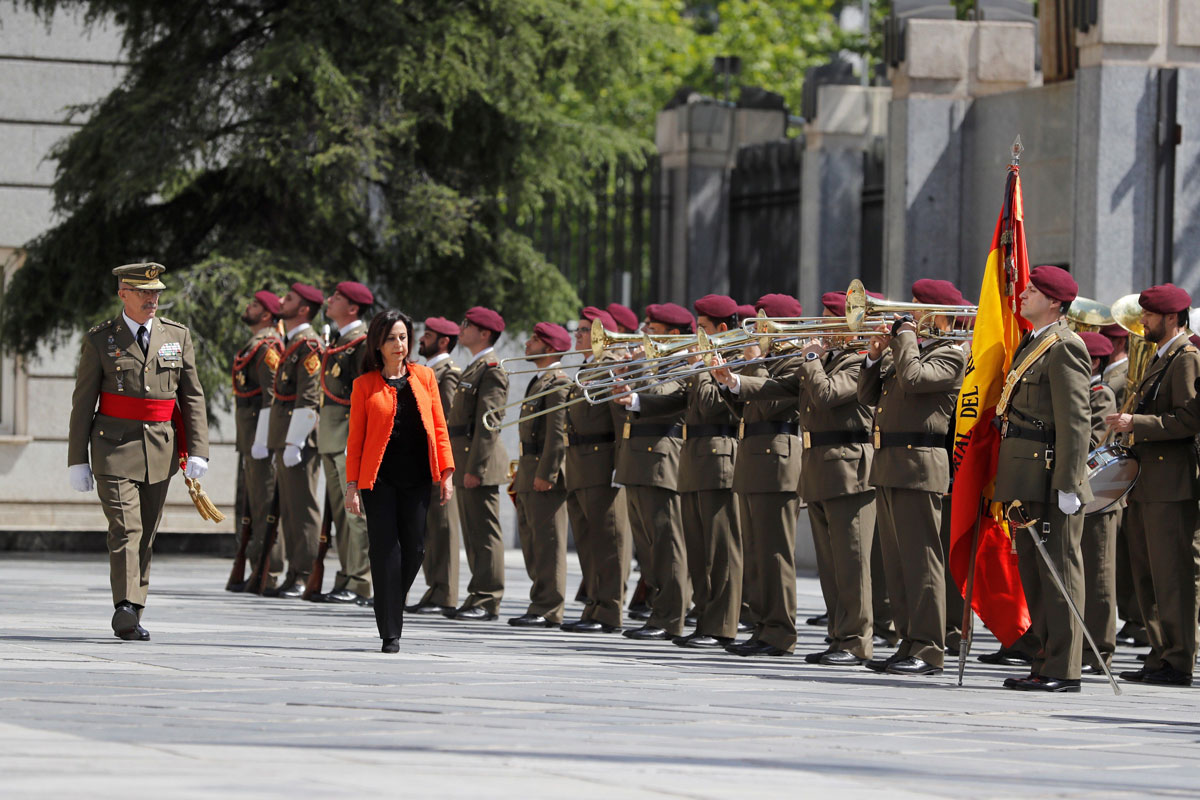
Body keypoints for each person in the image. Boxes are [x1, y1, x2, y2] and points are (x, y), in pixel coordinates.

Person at [68, 263, 209, 641]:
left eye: (156, 291)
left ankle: (134, 612)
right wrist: (77, 459)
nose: (153, 298)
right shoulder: (101, 339)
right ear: (123, 295)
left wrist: (198, 450)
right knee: (125, 528)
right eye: (143, 292)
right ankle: (124, 606)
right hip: (112, 447)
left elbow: (191, 396)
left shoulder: (176, 335)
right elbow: (83, 402)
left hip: (161, 448)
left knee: (145, 533)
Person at [857, 278, 967, 677]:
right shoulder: (909, 350)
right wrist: (872, 357)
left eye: (917, 307)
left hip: (920, 464)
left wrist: (903, 338)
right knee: (897, 563)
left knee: (922, 562)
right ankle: (908, 641)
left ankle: (930, 647)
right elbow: (867, 396)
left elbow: (914, 380)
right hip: (889, 463)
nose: (908, 315)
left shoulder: (952, 353)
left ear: (939, 315)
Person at [618, 295, 742, 648]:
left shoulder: (735, 358)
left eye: (700, 328)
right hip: (694, 458)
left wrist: (700, 366)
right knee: (700, 550)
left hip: (720, 457)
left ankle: (722, 625)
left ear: (720, 329)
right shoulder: (706, 359)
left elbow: (711, 404)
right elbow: (678, 401)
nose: (695, 333)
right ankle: (705, 620)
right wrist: (637, 401)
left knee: (721, 550)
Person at [992, 266, 1093, 692]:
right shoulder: (1033, 343)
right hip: (1025, 474)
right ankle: (1045, 659)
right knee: (1034, 572)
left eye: (1031, 291)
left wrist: (1069, 483)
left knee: (1060, 574)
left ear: (1054, 302)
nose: (1022, 295)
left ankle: (1064, 668)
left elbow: (1075, 422)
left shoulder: (1065, 346)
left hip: (1051, 475)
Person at [1105, 283, 1200, 687]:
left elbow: (1190, 420)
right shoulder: (1164, 356)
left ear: (1172, 317)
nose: (1142, 322)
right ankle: (1160, 652)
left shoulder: (1186, 358)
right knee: (1147, 576)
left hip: (1172, 484)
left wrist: (1135, 424)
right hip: (1149, 482)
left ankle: (1178, 659)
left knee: (1173, 574)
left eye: (1149, 315)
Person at [344, 310, 454, 652]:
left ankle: (388, 596)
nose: (399, 344)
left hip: (418, 478)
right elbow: (356, 438)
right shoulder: (364, 385)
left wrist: (447, 473)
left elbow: (439, 427)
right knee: (385, 551)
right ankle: (390, 632)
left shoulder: (425, 377)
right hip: (378, 481)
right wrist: (351, 485)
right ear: (378, 343)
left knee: (416, 549)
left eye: (404, 337)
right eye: (391, 338)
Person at [712, 293, 804, 657]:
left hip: (778, 461)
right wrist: (727, 381)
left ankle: (781, 632)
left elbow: (774, 398)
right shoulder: (765, 358)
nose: (757, 331)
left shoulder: (794, 358)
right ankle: (764, 627)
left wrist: (750, 366)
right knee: (756, 551)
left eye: (763, 322)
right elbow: (746, 408)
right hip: (754, 459)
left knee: (776, 552)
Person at [616, 302, 693, 642]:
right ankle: (658, 611)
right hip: (637, 460)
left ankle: (671, 616)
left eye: (653, 326)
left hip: (662, 458)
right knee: (647, 546)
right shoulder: (654, 362)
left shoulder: (682, 363)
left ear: (672, 334)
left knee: (666, 543)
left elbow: (666, 398)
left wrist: (636, 379)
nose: (644, 330)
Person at [561, 307, 633, 634]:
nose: (576, 335)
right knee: (588, 543)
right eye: (576, 330)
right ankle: (593, 603)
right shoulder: (586, 368)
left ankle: (609, 610)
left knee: (608, 541)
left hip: (602, 463)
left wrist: (620, 466)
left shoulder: (610, 367)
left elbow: (621, 423)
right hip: (579, 464)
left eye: (582, 330)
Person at [256, 283, 325, 597]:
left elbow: (308, 398)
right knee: (290, 509)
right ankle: (295, 571)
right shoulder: (292, 342)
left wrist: (295, 442)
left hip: (299, 440)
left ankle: (304, 572)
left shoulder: (308, 344)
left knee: (302, 508)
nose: (282, 301)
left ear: (304, 309)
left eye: (290, 299)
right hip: (285, 437)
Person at [446, 306, 510, 621]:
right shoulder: (474, 367)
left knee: (485, 532)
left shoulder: (492, 368)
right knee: (473, 533)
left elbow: (489, 422)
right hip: (465, 459)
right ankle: (477, 594)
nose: (461, 327)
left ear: (484, 333)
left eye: (467, 324)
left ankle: (488, 598)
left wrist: (476, 467)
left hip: (478, 462)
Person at [509, 323, 573, 628]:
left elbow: (557, 434)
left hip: (543, 473)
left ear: (549, 348)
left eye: (534, 340)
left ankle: (549, 607)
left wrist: (548, 472)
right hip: (529, 469)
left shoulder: (558, 383)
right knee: (533, 542)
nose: (527, 343)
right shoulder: (540, 381)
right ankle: (539, 601)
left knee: (548, 543)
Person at [316, 281, 374, 605]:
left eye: (336, 298)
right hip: (331, 436)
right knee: (340, 514)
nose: (329, 300)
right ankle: (347, 576)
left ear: (352, 308)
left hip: (347, 436)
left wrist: (358, 440)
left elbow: (362, 396)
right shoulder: (340, 340)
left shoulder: (361, 343)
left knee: (356, 513)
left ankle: (361, 581)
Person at [407, 317, 463, 615]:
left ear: (443, 341)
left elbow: (446, 422)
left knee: (442, 529)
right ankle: (434, 589)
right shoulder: (426, 371)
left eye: (428, 335)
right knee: (428, 530)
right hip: (421, 459)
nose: (421, 339)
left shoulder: (447, 374)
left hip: (437, 460)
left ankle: (446, 594)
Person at [229, 289, 284, 592]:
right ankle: (254, 567)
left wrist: (265, 439)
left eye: (253, 305)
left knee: (264, 506)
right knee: (249, 507)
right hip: (249, 440)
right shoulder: (255, 345)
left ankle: (269, 571)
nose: (246, 308)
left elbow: (272, 397)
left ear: (265, 315)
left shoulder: (268, 348)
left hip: (260, 441)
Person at [1078, 330, 1120, 675]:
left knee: (1099, 574)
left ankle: (1100, 651)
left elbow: (1096, 439)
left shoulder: (1100, 393)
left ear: (1093, 362)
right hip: (1080, 494)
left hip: (1100, 496)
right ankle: (1082, 646)